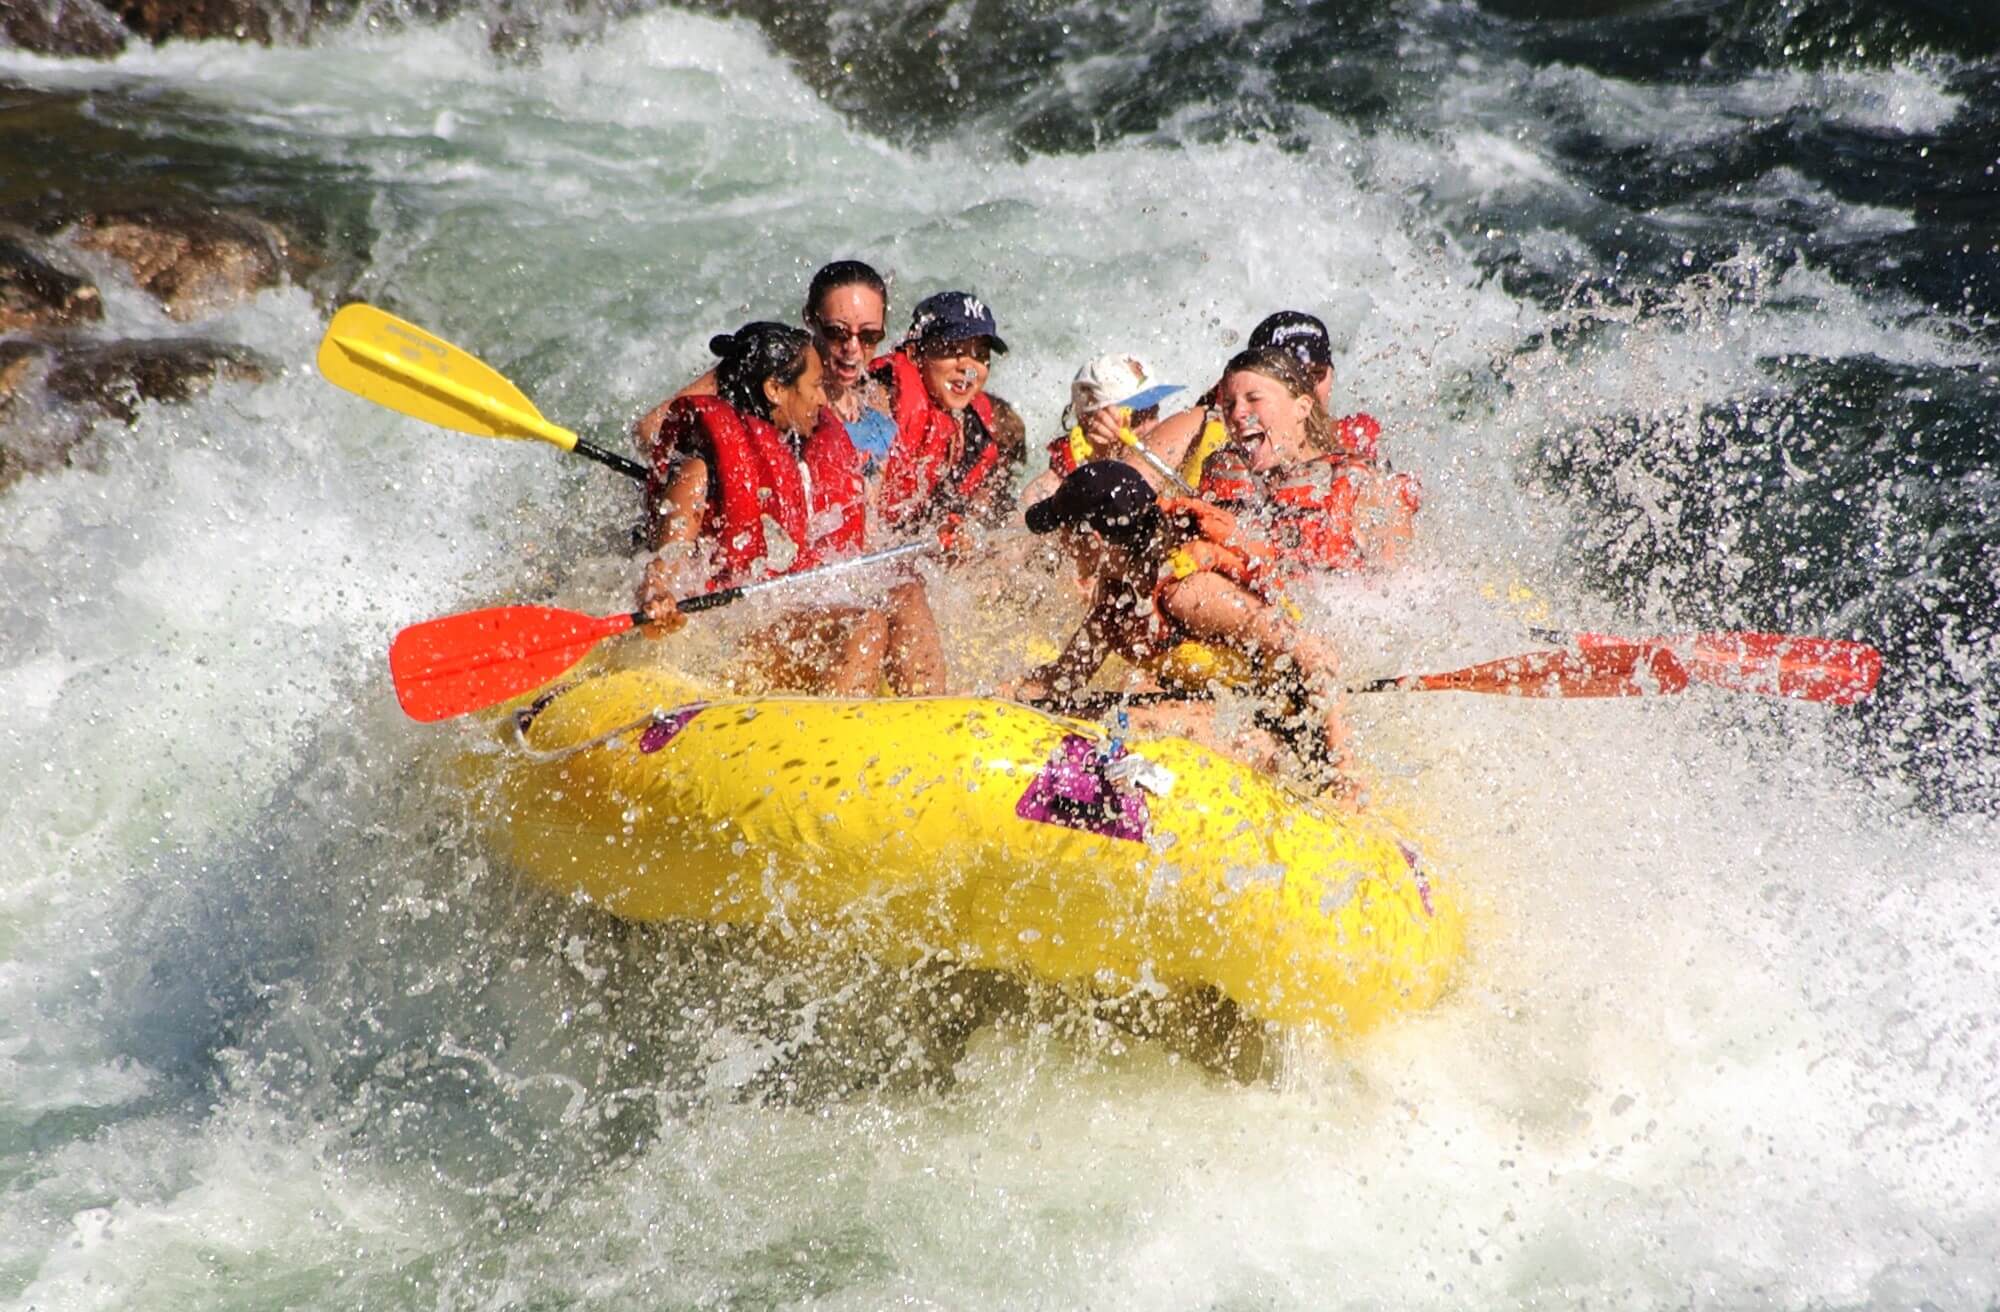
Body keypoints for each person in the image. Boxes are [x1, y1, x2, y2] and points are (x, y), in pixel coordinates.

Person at [635, 322, 941, 694]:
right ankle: (836, 742)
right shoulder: (699, 469)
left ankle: (931, 717)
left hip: (799, 611)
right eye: (814, 387)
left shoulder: (804, 452)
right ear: (776, 390)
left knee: (906, 594)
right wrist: (657, 599)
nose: (824, 400)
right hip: (733, 634)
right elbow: (664, 567)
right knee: (864, 625)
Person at [1011, 460, 1349, 787]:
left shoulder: (1188, 592)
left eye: (1064, 533)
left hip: (1280, 738)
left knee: (1132, 719)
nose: (1060, 545)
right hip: (1216, 717)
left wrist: (1344, 775)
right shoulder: (1118, 591)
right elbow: (1063, 680)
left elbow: (1317, 656)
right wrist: (1001, 697)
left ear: (1092, 540)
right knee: (1093, 712)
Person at [1137, 310, 1418, 570]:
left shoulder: (1353, 455)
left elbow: (1397, 570)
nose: (1306, 382)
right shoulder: (1206, 428)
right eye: (1291, 373)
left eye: (1316, 374)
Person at [632, 260, 900, 471]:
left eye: (868, 336)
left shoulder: (876, 401)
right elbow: (649, 430)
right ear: (810, 318)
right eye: (837, 332)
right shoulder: (773, 368)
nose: (852, 348)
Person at [871, 291, 1014, 530]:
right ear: (915, 353)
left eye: (980, 355)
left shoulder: (971, 429)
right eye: (953, 350)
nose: (968, 368)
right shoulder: (883, 397)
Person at [1018, 353, 1184, 508]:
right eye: (1137, 417)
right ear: (1092, 421)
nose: (1153, 427)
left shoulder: (1173, 456)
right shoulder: (1046, 493)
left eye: (1153, 411)